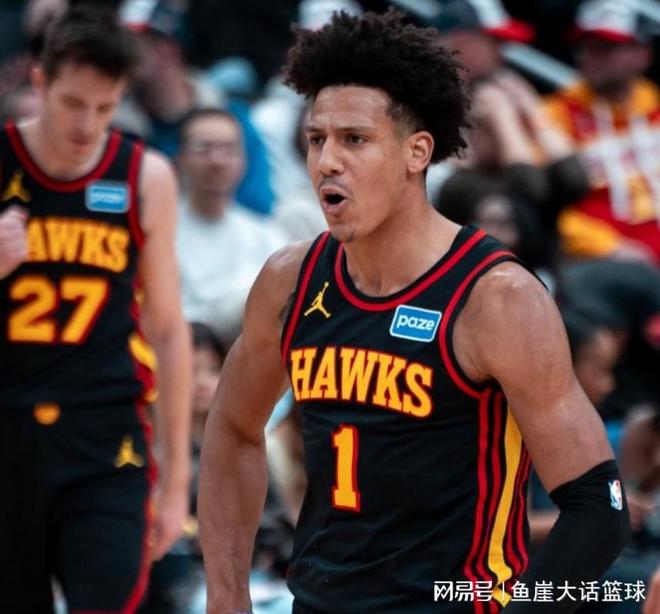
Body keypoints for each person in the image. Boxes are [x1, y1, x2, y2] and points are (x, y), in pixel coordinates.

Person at [199, 10, 630, 614]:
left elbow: (599, 511)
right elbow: (232, 430)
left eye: (354, 139)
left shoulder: (497, 298)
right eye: (317, 139)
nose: (327, 161)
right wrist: (227, 596)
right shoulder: (289, 280)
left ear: (417, 152)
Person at [0, 7, 191, 613]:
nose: (88, 125)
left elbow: (168, 329)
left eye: (106, 108)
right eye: (73, 103)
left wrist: (176, 482)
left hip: (107, 439)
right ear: (40, 82)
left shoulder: (145, 176)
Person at [544, 0, 660, 266]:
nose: (591, 56)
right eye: (586, 46)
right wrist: (608, 247)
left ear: (642, 54)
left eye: (606, 47)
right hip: (603, 263)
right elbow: (547, 206)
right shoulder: (556, 114)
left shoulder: (655, 107)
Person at [175, 108, 286, 347]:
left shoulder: (267, 236)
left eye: (228, 149)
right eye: (203, 148)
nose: (217, 161)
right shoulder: (158, 232)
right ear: (181, 157)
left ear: (243, 161)